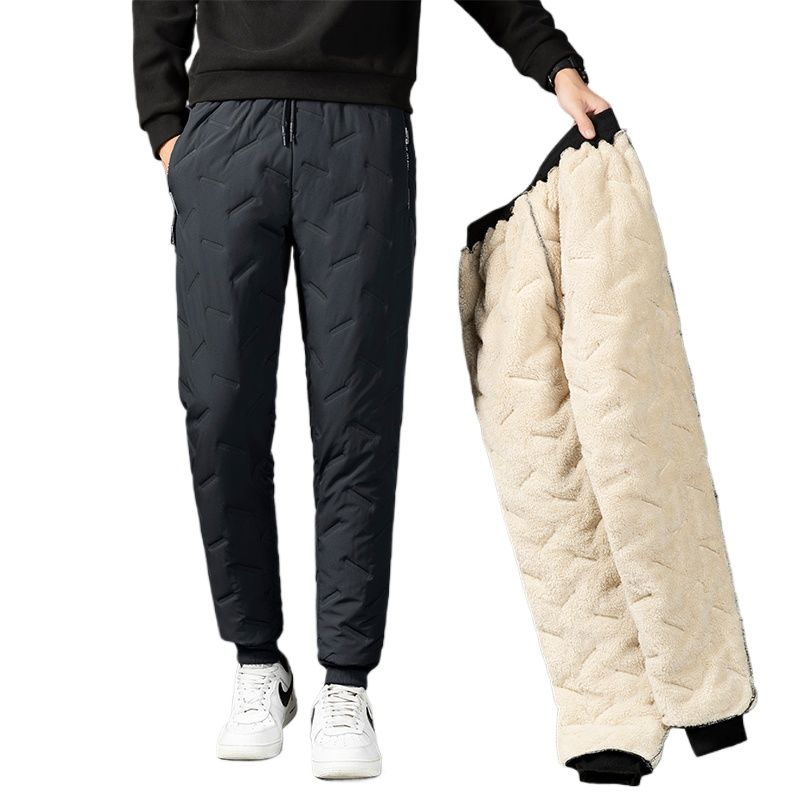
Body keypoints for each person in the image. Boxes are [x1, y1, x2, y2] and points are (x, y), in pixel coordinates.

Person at [133, 0, 609, 779]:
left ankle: (346, 683)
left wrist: (556, 66)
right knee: (219, 409)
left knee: (356, 410)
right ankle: (257, 662)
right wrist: (165, 127)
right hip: (224, 136)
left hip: (362, 133)